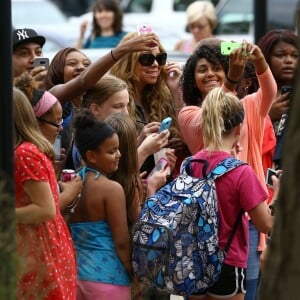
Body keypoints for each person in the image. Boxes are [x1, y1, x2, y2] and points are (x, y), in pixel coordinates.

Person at [178, 39, 277, 300]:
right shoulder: (189, 114)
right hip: (207, 231)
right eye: (202, 69)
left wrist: (259, 61)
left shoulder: (249, 107)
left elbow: (269, 93)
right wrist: (231, 79)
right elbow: (214, 113)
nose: (209, 73)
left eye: (216, 68)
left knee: (251, 287)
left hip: (248, 221)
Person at [44, 32, 159, 152]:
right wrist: (123, 49)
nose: (81, 68)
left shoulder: (95, 109)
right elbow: (83, 81)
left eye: (87, 65)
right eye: (72, 64)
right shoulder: (54, 97)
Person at [13, 87, 77, 299]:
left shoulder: (24, 153)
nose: (60, 128)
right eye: (57, 122)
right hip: (44, 249)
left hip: (40, 252)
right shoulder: (30, 150)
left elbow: (45, 209)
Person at [68, 110, 132, 300]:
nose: (119, 155)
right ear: (91, 156)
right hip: (109, 279)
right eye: (112, 151)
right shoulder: (111, 189)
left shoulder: (70, 183)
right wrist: (131, 271)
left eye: (118, 149)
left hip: (75, 278)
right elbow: (121, 242)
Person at [110, 32, 189, 178]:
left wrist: (176, 92)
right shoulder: (115, 100)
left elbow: (186, 135)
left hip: (161, 184)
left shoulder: (163, 95)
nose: (155, 65)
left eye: (160, 58)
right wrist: (140, 140)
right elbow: (110, 158)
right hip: (130, 185)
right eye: (147, 59)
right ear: (129, 62)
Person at [14, 73, 83, 211]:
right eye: (57, 122)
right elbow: (47, 211)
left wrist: (52, 170)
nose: (61, 128)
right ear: (35, 122)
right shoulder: (26, 153)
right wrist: (70, 193)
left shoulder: (35, 154)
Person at [258, 29, 299, 169]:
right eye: (280, 55)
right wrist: (269, 117)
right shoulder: (253, 94)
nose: (289, 60)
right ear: (266, 58)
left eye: (295, 56)